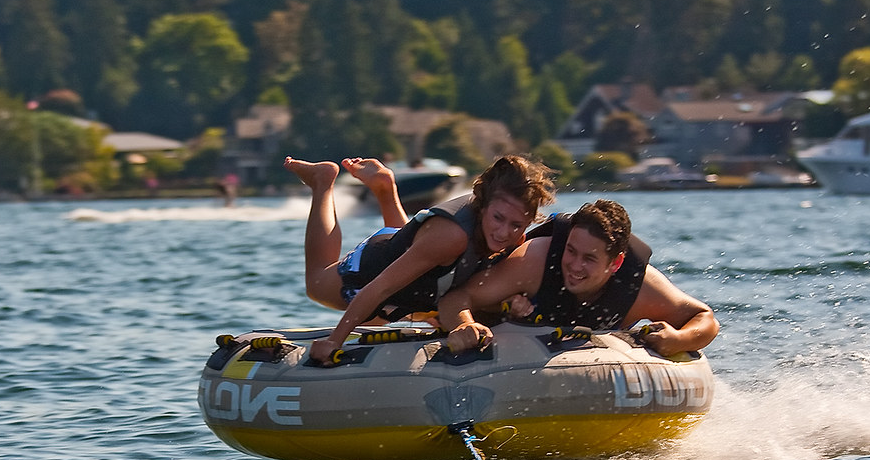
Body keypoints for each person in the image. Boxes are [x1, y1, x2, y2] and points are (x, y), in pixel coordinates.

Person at [284, 154, 557, 363]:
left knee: (417, 268)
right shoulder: (451, 238)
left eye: (516, 225)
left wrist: (514, 302)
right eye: (498, 218)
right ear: (482, 205)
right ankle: (322, 183)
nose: (504, 232)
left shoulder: (511, 236)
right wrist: (335, 341)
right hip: (374, 266)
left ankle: (385, 188)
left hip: (411, 247)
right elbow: (382, 286)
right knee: (318, 283)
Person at [439, 199, 719, 357]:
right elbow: (456, 298)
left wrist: (680, 339)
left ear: (616, 263)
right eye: (571, 251)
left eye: (589, 259)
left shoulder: (639, 287)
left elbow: (704, 317)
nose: (573, 265)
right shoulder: (533, 261)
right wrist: (465, 324)